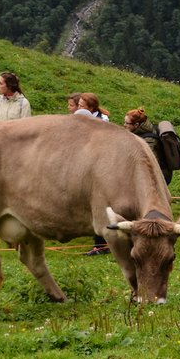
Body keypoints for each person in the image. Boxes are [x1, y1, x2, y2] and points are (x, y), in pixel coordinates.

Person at [72, 91, 111, 254]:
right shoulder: (82, 118)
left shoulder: (102, 121)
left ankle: (101, 244)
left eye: (81, 105)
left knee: (100, 203)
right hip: (87, 165)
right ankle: (100, 242)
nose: (77, 108)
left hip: (100, 166)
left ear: (91, 107)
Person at [124, 107, 173, 186]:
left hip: (159, 176)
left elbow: (149, 163)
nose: (124, 125)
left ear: (136, 125)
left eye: (127, 123)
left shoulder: (149, 141)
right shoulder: (140, 131)